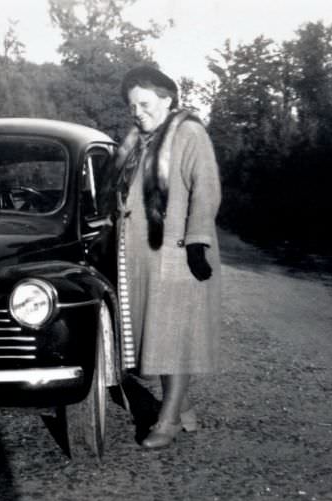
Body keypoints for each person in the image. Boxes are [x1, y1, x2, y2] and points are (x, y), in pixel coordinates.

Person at [114, 65, 222, 449]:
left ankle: (169, 420)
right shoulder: (138, 142)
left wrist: (197, 243)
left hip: (176, 253)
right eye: (131, 106)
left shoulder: (188, 133)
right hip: (144, 257)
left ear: (167, 98)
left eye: (144, 103)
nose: (137, 112)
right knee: (158, 334)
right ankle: (183, 406)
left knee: (173, 335)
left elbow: (205, 189)